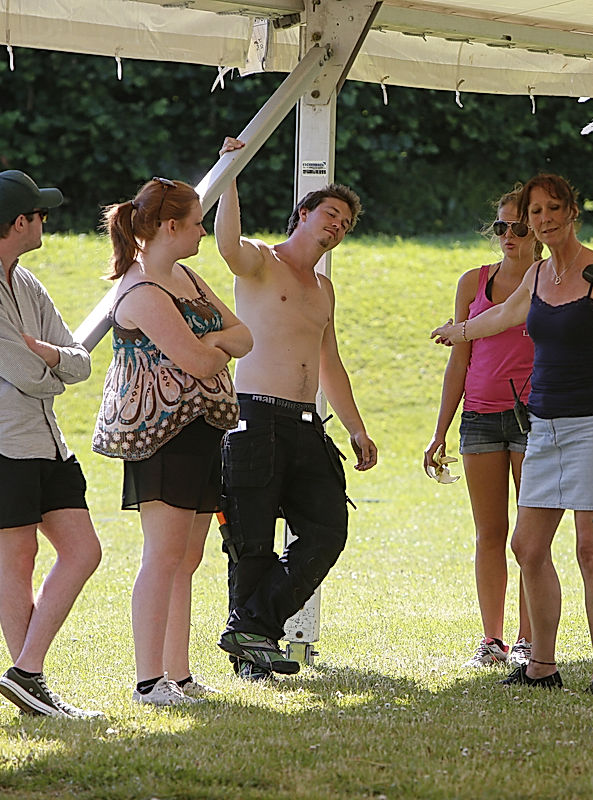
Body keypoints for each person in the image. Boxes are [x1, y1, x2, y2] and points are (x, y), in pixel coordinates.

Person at [431, 173, 593, 692]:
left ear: (572, 211)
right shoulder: (539, 275)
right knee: (526, 545)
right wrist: (458, 331)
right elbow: (502, 315)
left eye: (550, 210)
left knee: (591, 549)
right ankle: (541, 665)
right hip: (541, 425)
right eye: (533, 213)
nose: (542, 221)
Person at [0, 170, 102, 718]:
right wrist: (50, 363)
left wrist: (49, 358)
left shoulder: (25, 282)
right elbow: (27, 374)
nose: (46, 223)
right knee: (19, 557)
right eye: (40, 215)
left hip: (45, 441)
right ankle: (31, 680)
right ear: (20, 223)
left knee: (84, 552)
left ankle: (25, 674)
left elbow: (77, 359)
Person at [213, 137, 378, 681]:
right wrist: (229, 171)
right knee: (253, 542)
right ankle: (252, 657)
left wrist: (356, 429)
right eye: (330, 214)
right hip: (256, 415)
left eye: (345, 224)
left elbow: (331, 361)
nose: (337, 227)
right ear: (303, 215)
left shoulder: (324, 288)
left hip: (308, 422)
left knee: (328, 530)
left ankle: (253, 625)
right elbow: (226, 244)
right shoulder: (262, 260)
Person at [95, 178, 251, 706]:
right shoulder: (142, 292)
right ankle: (148, 681)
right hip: (161, 437)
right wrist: (211, 344)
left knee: (187, 557)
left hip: (202, 430)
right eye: (196, 222)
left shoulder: (186, 276)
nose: (202, 231)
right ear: (170, 227)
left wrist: (209, 343)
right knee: (162, 557)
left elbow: (244, 337)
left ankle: (178, 675)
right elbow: (204, 359)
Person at [424, 187, 539, 668]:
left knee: (530, 539)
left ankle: (530, 638)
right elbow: (459, 360)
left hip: (533, 417)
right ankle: (493, 639)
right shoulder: (473, 281)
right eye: (501, 227)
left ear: (539, 232)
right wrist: (440, 430)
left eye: (519, 228)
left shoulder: (548, 279)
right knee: (489, 533)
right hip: (479, 416)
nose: (509, 236)